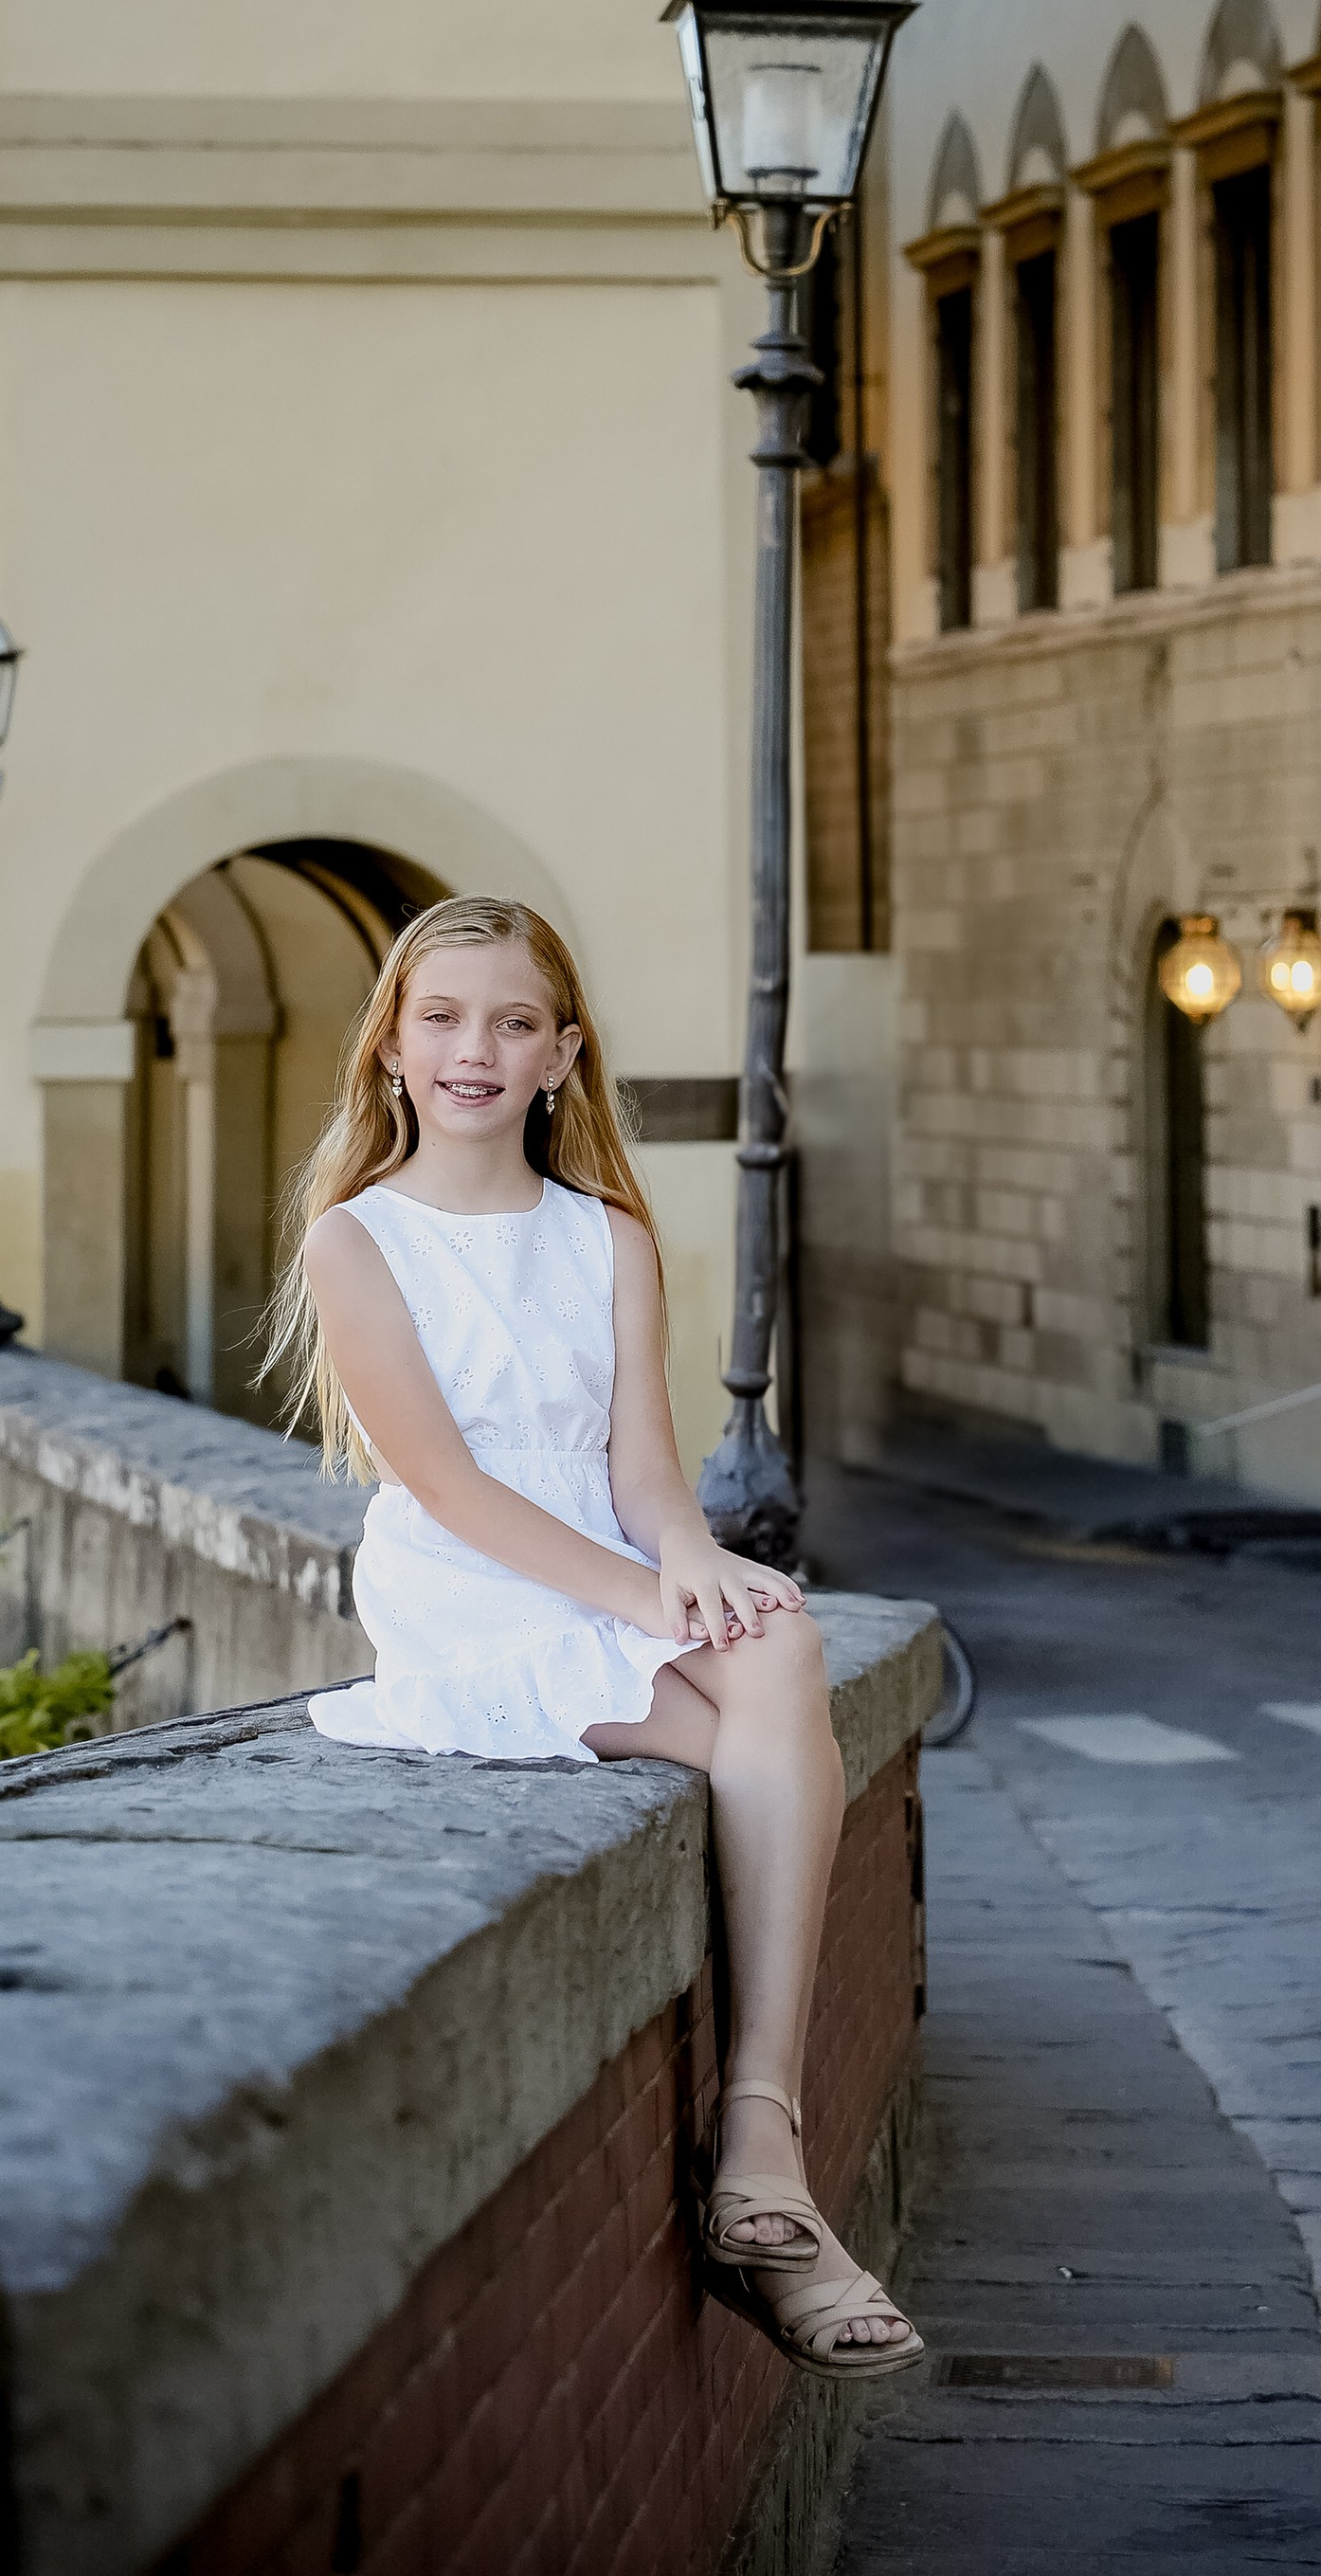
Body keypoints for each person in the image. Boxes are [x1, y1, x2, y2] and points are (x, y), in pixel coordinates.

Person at [266, 891, 921, 2382]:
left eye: (512, 1023)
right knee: (774, 1743)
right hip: (470, 1580)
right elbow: (444, 1483)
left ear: (564, 1055)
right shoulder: (357, 1241)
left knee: (775, 1652)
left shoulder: (606, 1235)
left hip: (609, 1555)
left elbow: (644, 1472)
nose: (473, 1050)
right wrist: (646, 1601)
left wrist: (696, 1563)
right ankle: (767, 2172)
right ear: (389, 1049)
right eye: (439, 1018)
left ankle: (761, 2144)